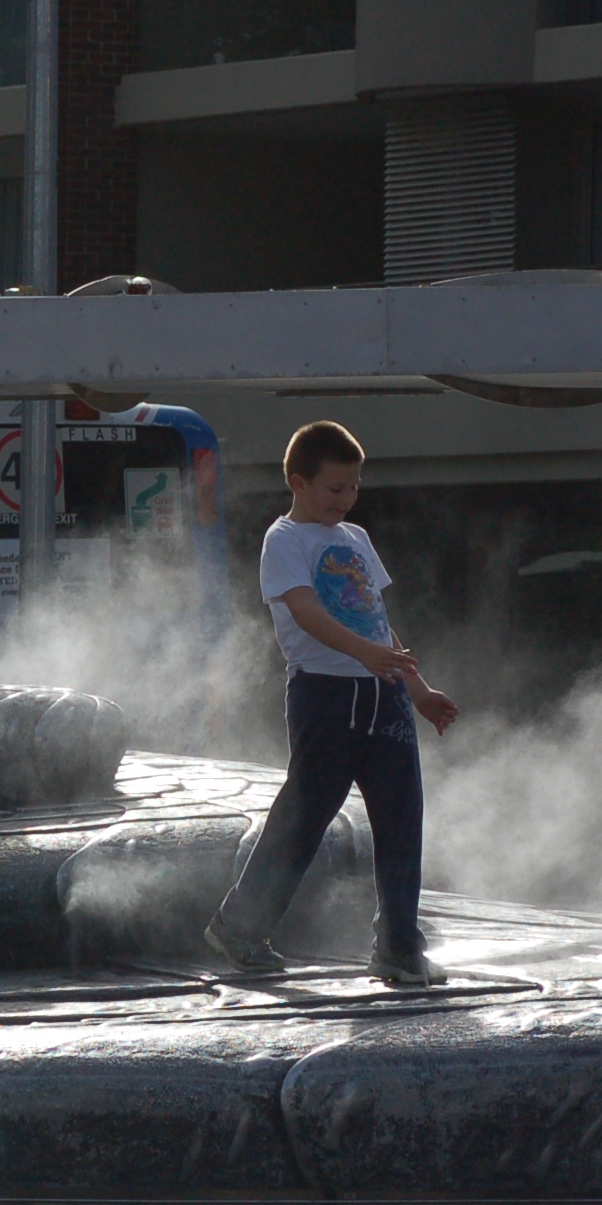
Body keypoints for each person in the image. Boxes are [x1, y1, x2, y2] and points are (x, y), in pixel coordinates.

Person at [203, 421, 460, 987]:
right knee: (306, 815)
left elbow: (377, 621)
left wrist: (417, 689)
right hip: (325, 693)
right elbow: (306, 612)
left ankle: (398, 946)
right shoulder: (284, 540)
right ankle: (240, 925)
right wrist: (366, 654)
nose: (346, 498)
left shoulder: (356, 538)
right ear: (299, 483)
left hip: (383, 693)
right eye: (334, 488)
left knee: (401, 817)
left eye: (354, 487)